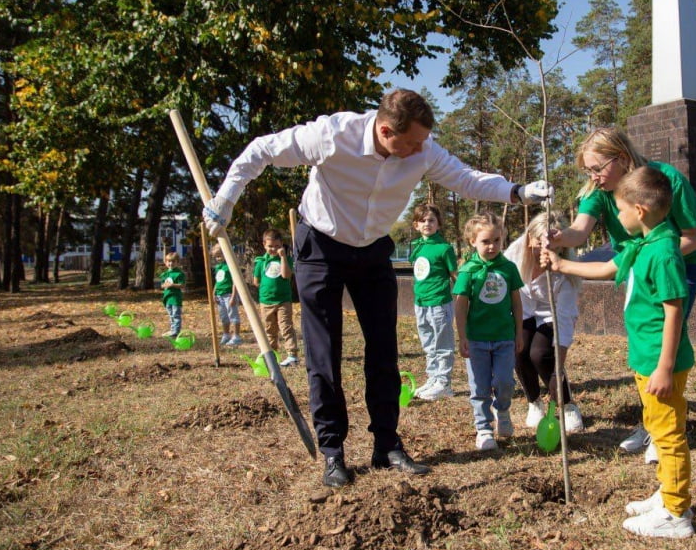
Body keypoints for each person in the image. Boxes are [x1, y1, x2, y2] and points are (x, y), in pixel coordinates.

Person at [203, 88, 551, 488]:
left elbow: (464, 178)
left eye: (424, 141)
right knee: (324, 352)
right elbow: (261, 150)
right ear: (386, 131)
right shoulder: (333, 136)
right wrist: (225, 199)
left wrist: (517, 191)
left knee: (384, 349)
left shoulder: (422, 148)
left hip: (371, 250)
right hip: (320, 245)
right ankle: (333, 452)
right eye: (414, 142)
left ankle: (387, 444)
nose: (423, 150)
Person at [543, 166, 696, 538]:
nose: (617, 217)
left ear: (639, 211)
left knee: (668, 434)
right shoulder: (642, 244)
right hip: (647, 357)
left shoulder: (663, 252)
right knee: (659, 428)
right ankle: (667, 494)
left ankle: (677, 515)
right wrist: (562, 263)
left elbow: (675, 311)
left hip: (661, 361)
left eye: (620, 210)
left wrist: (664, 367)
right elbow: (610, 266)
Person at [548, 127, 696, 459]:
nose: (593, 177)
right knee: (645, 340)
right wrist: (558, 238)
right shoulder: (599, 188)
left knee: (664, 338)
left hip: (676, 263)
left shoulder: (664, 180)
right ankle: (652, 420)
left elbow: (693, 237)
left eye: (597, 168)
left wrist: (653, 256)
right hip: (637, 263)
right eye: (587, 171)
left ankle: (663, 430)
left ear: (621, 158)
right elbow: (579, 232)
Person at [503, 211, 584, 433]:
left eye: (554, 245)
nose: (546, 250)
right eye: (540, 243)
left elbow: (565, 321)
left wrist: (558, 370)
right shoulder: (515, 254)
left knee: (540, 354)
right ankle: (534, 401)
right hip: (526, 311)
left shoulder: (566, 272)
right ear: (530, 238)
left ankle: (567, 405)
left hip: (552, 315)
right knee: (520, 350)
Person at [453, 213, 524, 451]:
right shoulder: (468, 271)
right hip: (477, 340)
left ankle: (502, 411)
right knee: (480, 387)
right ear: (473, 241)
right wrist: (462, 336)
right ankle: (484, 428)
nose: (492, 246)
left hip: (505, 338)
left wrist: (519, 333)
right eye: (485, 241)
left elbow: (516, 303)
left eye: (496, 240)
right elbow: (461, 305)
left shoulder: (509, 268)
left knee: (505, 382)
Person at [408, 204, 458, 401]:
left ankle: (444, 383)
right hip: (420, 303)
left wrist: (465, 297)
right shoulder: (418, 247)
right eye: (423, 220)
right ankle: (433, 378)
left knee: (442, 343)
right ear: (416, 225)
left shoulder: (444, 248)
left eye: (431, 220)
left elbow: (455, 274)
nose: (427, 223)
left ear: (438, 224)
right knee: (428, 343)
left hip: (439, 304)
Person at [252, 229, 300, 367]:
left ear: (282, 245)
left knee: (286, 326)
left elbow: (286, 276)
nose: (273, 249)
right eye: (270, 246)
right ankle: (272, 354)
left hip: (283, 301)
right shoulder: (261, 262)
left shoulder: (286, 259)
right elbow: (256, 281)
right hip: (266, 302)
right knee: (269, 329)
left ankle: (292, 355)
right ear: (264, 245)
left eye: (277, 246)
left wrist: (283, 257)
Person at [211, 243, 243, 346]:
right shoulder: (218, 267)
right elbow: (217, 281)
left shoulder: (229, 266)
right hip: (219, 295)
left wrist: (234, 296)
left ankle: (236, 336)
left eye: (220, 255)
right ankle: (226, 334)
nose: (218, 258)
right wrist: (213, 293)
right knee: (223, 317)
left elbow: (235, 282)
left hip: (229, 295)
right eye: (216, 257)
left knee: (233, 315)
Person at [159, 252, 186, 338]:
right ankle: (172, 330)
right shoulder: (166, 274)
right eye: (168, 261)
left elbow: (182, 285)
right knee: (171, 315)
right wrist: (164, 285)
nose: (170, 263)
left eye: (173, 261)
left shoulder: (179, 274)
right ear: (166, 262)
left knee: (176, 315)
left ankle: (176, 332)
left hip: (175, 298)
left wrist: (172, 285)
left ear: (177, 262)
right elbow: (162, 284)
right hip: (167, 298)